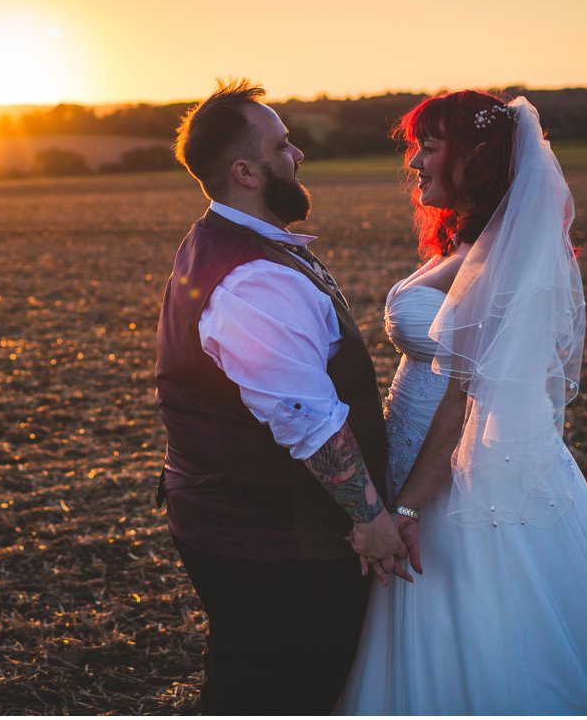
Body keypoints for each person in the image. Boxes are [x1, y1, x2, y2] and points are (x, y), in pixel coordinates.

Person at [336, 91, 587, 714]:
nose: (414, 163)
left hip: (460, 482)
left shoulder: (507, 265)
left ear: (478, 159)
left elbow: (464, 407)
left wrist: (407, 512)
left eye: (429, 147)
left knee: (490, 629)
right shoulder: (466, 250)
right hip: (413, 462)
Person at [154, 79, 406, 715]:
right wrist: (371, 519)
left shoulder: (232, 245)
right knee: (278, 693)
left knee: (253, 683)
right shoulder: (253, 280)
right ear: (245, 171)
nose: (298, 155)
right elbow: (308, 423)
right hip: (273, 547)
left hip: (242, 530)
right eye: (283, 145)